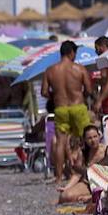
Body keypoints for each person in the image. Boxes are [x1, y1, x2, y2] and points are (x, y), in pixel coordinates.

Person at [41, 40, 94, 184]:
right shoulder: (80, 69)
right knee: (86, 139)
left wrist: (56, 96)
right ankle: (86, 174)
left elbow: (44, 92)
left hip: (61, 108)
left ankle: (58, 177)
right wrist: (80, 95)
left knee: (60, 142)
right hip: (78, 106)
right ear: (72, 53)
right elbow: (89, 90)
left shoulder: (50, 70)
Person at [57, 125, 108, 205]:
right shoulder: (83, 153)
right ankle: (91, 196)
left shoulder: (107, 151)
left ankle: (91, 197)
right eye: (89, 138)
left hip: (103, 183)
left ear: (99, 136)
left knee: (69, 198)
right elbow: (77, 174)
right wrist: (67, 187)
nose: (93, 140)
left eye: (95, 137)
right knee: (65, 196)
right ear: (85, 140)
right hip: (88, 183)